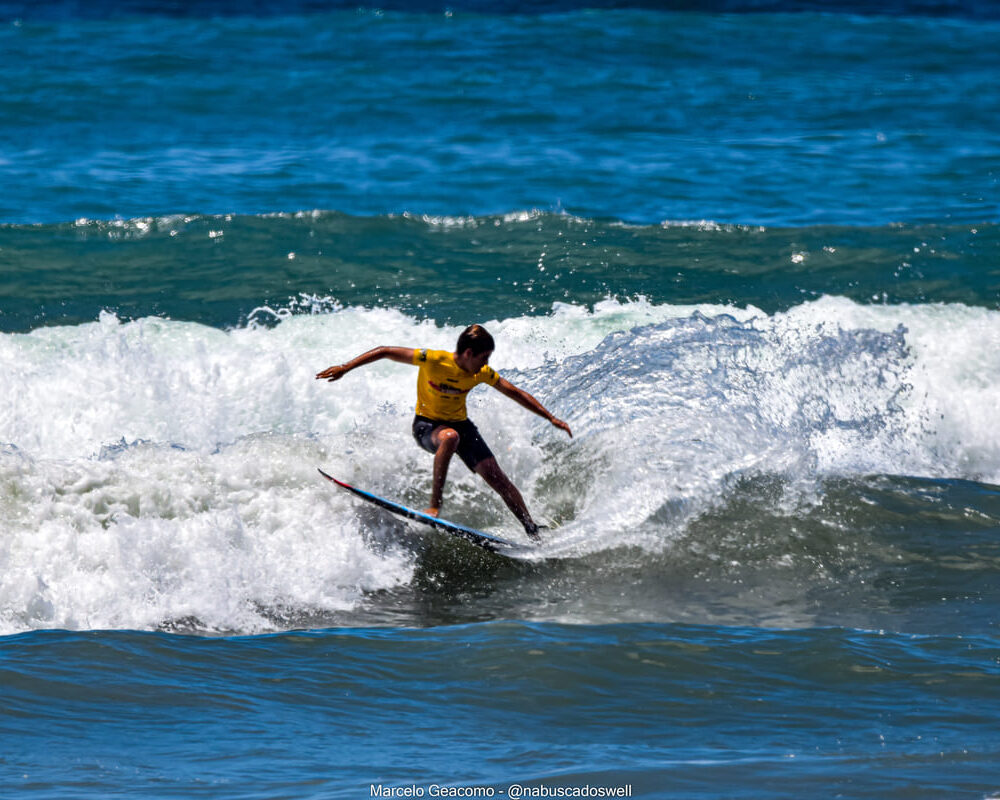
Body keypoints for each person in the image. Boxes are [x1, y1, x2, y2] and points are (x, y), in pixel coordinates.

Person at [316, 324, 571, 539]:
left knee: (498, 478)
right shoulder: (433, 359)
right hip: (427, 426)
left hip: (462, 425)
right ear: (469, 353)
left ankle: (531, 529)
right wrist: (344, 367)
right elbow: (384, 351)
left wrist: (550, 418)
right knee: (450, 437)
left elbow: (515, 392)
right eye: (484, 357)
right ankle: (433, 506)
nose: (487, 363)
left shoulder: (480, 373)